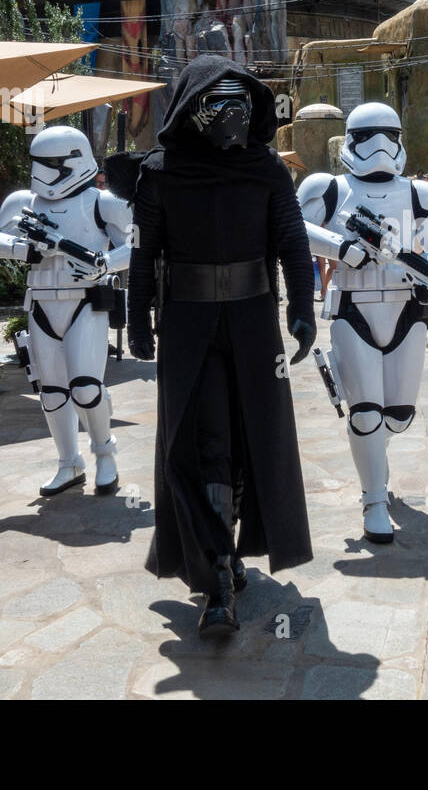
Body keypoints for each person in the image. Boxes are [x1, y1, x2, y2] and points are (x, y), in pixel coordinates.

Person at [127, 55, 315, 639]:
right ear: (192, 109)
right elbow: (143, 253)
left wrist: (302, 308)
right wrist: (137, 319)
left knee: (251, 440)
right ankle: (216, 582)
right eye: (218, 103)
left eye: (241, 101)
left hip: (255, 322)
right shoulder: (160, 172)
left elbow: (292, 240)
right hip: (188, 325)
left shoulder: (266, 169)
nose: (232, 114)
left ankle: (229, 555)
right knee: (203, 443)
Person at [297, 101, 428, 543]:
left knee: (397, 416)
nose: (379, 145)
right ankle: (374, 498)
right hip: (352, 305)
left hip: (408, 307)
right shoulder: (327, 188)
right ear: (350, 139)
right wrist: (341, 249)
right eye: (367, 136)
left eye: (388, 134)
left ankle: (374, 463)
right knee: (365, 413)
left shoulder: (421, 193)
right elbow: (292, 227)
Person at [0, 127, 134, 496]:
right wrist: (23, 249)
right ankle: (69, 463)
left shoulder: (103, 202)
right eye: (40, 163)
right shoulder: (24, 202)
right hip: (40, 303)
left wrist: (103, 263)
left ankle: (105, 454)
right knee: (52, 392)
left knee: (85, 386)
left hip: (85, 300)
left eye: (52, 163)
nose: (44, 171)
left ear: (73, 161)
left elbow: (141, 241)